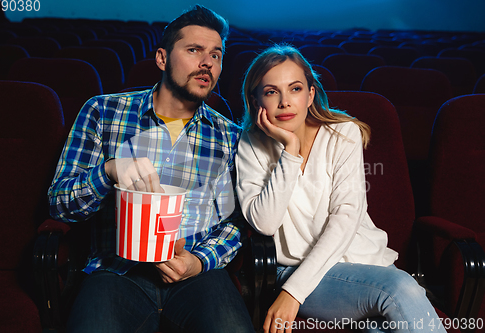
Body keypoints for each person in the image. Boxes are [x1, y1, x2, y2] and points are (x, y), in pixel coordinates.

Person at [48, 5, 254, 333]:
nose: (207, 63)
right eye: (194, 50)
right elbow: (60, 205)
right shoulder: (102, 111)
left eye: (216, 55)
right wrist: (108, 171)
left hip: (197, 275)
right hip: (116, 271)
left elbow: (238, 222)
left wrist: (200, 261)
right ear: (161, 58)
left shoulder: (231, 137)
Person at [235, 44, 447, 333]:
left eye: (295, 89)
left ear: (310, 94)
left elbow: (345, 218)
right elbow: (265, 222)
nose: (285, 101)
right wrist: (290, 151)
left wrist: (293, 293)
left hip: (367, 267)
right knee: (402, 289)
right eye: (271, 92)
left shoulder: (343, 133)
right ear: (256, 99)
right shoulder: (250, 145)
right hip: (300, 272)